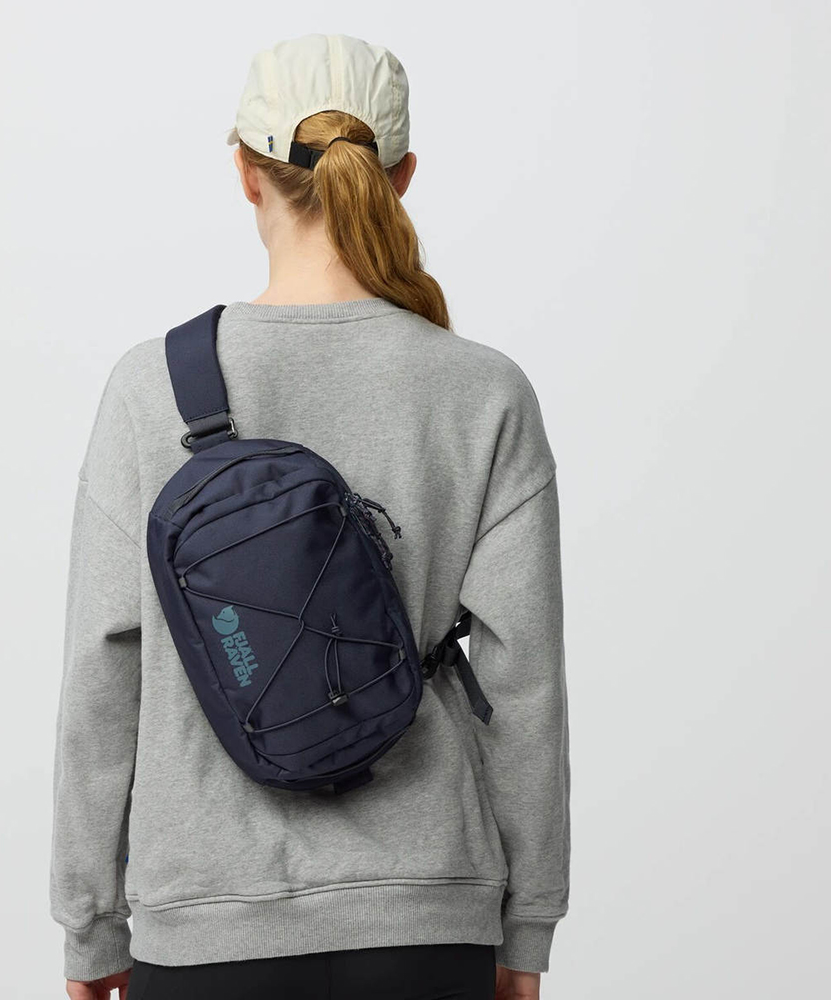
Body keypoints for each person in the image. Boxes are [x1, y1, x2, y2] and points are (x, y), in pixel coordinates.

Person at [50, 32, 570, 1000]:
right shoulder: (483, 391)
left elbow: (102, 672)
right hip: (428, 913)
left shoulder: (147, 390)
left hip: (204, 919)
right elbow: (522, 680)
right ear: (400, 177)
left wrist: (90, 925)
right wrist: (527, 927)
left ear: (246, 174)